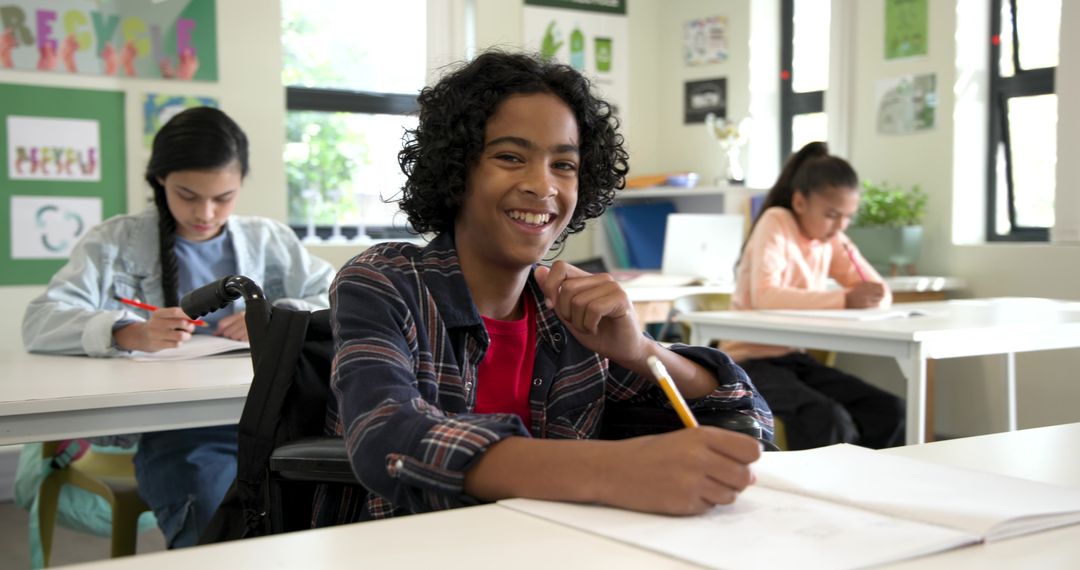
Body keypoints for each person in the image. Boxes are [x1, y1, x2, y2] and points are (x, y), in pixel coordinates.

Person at [315, 50, 772, 525]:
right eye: (510, 157)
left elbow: (741, 420)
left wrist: (637, 350)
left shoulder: (568, 312)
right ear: (457, 170)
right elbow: (386, 438)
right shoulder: (384, 282)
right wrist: (611, 471)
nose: (542, 185)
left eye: (564, 165)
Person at [22, 107, 335, 547]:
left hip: (271, 420)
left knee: (307, 520)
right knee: (214, 526)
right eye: (187, 195)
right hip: (178, 435)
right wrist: (125, 331)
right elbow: (40, 319)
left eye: (223, 197)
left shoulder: (270, 239)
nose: (206, 212)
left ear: (241, 183)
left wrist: (276, 316)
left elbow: (335, 295)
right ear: (160, 181)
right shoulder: (113, 241)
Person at [723, 141, 905, 450]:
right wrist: (846, 299)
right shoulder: (776, 222)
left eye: (848, 217)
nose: (840, 226)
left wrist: (871, 294)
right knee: (828, 418)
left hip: (794, 359)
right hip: (748, 361)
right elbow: (765, 297)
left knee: (889, 409)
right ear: (800, 202)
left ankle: (870, 489)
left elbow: (879, 292)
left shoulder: (831, 239)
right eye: (832, 214)